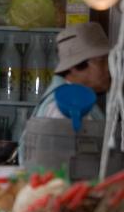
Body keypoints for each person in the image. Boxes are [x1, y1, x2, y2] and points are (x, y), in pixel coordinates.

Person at [20, 22, 114, 163]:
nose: (109, 68)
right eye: (102, 61)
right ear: (75, 67)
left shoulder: (77, 99)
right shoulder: (65, 107)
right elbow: (64, 167)